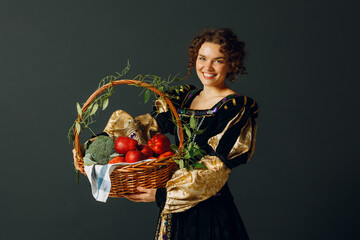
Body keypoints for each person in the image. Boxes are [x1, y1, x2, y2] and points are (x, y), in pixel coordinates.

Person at [125, 28, 259, 240]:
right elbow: (139, 131)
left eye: (218, 61)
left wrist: (164, 195)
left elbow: (215, 170)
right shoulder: (183, 98)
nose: (207, 67)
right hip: (175, 210)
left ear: (231, 64)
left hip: (211, 211)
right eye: (202, 58)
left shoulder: (235, 108)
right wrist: (96, 152)